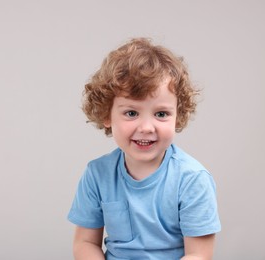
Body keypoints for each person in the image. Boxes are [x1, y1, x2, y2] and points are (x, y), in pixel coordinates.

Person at [68, 38, 221, 260]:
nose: (147, 128)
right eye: (131, 113)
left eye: (161, 114)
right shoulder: (97, 174)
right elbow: (85, 243)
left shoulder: (192, 180)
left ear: (178, 115)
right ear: (106, 115)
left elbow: (199, 255)